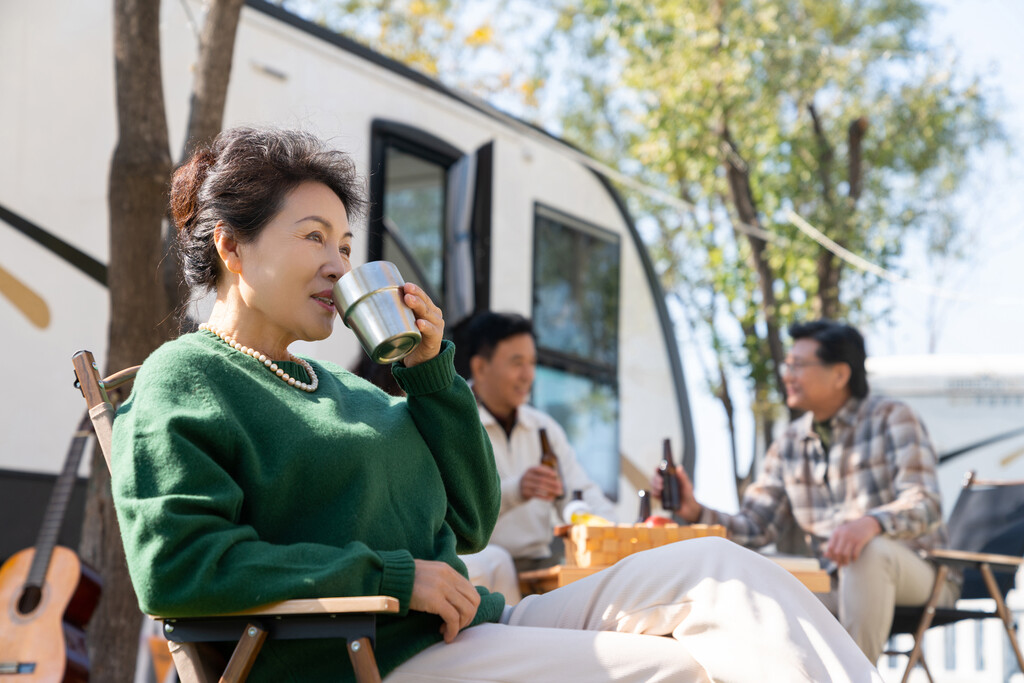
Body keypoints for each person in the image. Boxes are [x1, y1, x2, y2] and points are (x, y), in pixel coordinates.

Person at [111, 126, 882, 682]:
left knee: (725, 572)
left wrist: (430, 373)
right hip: (365, 654)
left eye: (345, 243)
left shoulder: (344, 386)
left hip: (466, 629)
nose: (339, 265)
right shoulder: (188, 375)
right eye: (315, 238)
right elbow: (178, 566)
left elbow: (470, 517)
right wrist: (392, 574)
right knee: (678, 669)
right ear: (232, 248)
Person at [656, 319, 959, 664]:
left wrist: (870, 523)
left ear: (840, 375)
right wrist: (693, 510)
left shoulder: (894, 418)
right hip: (834, 583)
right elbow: (756, 526)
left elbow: (926, 502)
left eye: (799, 365)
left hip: (924, 575)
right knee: (754, 592)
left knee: (867, 551)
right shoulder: (788, 442)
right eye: (787, 364)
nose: (787, 374)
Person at [459, 311, 617, 573]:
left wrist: (615, 528)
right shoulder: (453, 422)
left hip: (538, 567)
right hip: (476, 569)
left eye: (532, 363)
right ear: (480, 367)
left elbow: (579, 493)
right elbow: (455, 513)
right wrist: (516, 490)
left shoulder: (543, 427)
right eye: (517, 363)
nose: (528, 375)